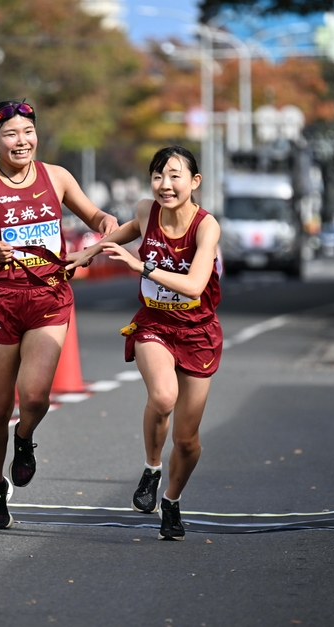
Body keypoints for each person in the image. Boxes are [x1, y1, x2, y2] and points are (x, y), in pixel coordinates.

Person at [0, 100, 118, 529]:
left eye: (27, 132)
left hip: (50, 296)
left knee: (33, 397)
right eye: (10, 134)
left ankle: (25, 437)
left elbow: (97, 216)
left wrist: (103, 226)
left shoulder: (57, 177)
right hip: (2, 299)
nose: (21, 141)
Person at [66, 146, 221, 541]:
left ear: (194, 182)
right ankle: (152, 469)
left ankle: (171, 500)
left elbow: (194, 285)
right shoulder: (146, 211)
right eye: (157, 176)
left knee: (187, 441)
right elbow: (124, 232)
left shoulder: (206, 227)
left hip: (198, 332)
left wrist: (143, 266)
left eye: (174, 176)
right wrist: (89, 252)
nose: (164, 185)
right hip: (155, 322)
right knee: (164, 396)